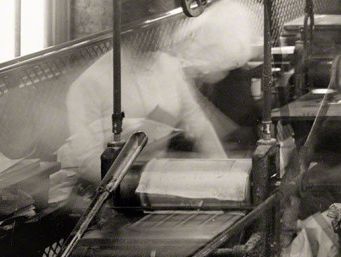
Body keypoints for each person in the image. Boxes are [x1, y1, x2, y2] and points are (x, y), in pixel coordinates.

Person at [59, 46, 227, 181]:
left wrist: (225, 171)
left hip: (157, 179)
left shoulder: (167, 65)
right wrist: (141, 183)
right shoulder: (92, 82)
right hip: (113, 191)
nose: (159, 33)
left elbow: (197, 122)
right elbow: (88, 160)